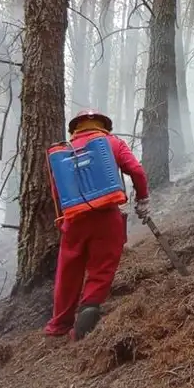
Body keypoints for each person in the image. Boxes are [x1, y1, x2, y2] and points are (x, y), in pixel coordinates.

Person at [43, 109, 151, 341]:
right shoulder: (112, 143)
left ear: (75, 129)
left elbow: (57, 191)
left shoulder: (63, 152)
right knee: (102, 268)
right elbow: (137, 172)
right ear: (103, 125)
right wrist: (143, 199)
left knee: (68, 271)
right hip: (106, 216)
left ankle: (59, 324)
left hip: (74, 220)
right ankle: (89, 308)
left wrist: (66, 218)